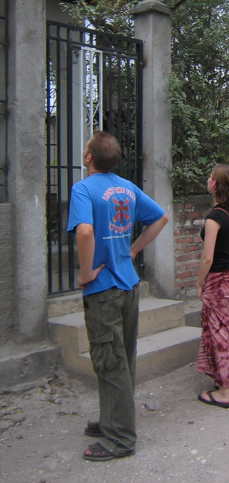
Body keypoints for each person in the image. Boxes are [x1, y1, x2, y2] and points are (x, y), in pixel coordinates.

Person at [67, 131, 168, 462]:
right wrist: (133, 249)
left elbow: (84, 231)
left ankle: (120, 439)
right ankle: (112, 420)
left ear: (89, 158)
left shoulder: (83, 188)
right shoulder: (127, 188)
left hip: (104, 290)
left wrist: (84, 274)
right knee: (122, 358)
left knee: (109, 362)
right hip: (129, 286)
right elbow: (160, 217)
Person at [196, 164, 229, 408]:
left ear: (215, 184)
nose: (207, 180)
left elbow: (207, 257)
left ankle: (223, 391)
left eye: (210, 177)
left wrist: (199, 283)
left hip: (218, 280)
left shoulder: (214, 217)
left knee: (219, 334)